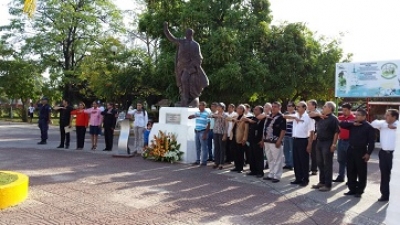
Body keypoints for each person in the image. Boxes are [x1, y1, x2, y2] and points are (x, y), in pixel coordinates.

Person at [163, 22, 209, 107]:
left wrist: (193, 66)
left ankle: (186, 98)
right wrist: (166, 30)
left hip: (191, 67)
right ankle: (185, 98)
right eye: (187, 33)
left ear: (192, 34)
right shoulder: (182, 41)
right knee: (180, 81)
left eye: (189, 33)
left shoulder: (195, 45)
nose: (187, 34)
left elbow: (199, 58)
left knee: (184, 79)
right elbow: (172, 38)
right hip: (180, 67)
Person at [340, 108, 375, 198]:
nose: (356, 116)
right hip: (351, 149)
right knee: (350, 169)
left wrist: (368, 153)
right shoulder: (353, 124)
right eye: (356, 115)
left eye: (358, 115)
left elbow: (371, 142)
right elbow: (341, 124)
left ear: (364, 116)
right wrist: (352, 123)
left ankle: (360, 190)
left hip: (361, 151)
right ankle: (352, 189)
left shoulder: (368, 127)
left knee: (361, 171)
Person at [310, 101, 340, 192]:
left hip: (328, 142)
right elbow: (310, 114)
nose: (322, 108)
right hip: (319, 141)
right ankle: (321, 182)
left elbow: (336, 132)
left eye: (324, 106)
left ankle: (327, 184)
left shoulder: (334, 119)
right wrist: (319, 115)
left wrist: (334, 144)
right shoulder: (320, 117)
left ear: (330, 108)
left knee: (327, 164)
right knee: (319, 162)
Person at [371, 109, 399, 202]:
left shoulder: (398, 125)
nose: (385, 117)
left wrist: (395, 127)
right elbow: (373, 123)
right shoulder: (383, 124)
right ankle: (385, 194)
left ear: (394, 117)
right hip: (383, 153)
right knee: (384, 174)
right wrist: (386, 124)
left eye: (387, 115)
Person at [285, 101, 315, 187]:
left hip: (304, 140)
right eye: (296, 106)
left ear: (304, 108)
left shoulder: (308, 117)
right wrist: (294, 118)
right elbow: (284, 116)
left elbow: (312, 132)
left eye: (299, 107)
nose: (297, 108)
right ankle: (298, 178)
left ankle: (305, 179)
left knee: (304, 161)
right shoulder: (295, 115)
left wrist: (309, 144)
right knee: (296, 160)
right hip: (295, 139)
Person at [262, 101, 286, 183]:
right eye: (272, 106)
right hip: (267, 141)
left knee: (277, 159)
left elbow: (283, 130)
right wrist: (263, 140)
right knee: (270, 158)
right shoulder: (269, 116)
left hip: (275, 141)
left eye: (275, 106)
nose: (273, 108)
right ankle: (271, 174)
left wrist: (279, 140)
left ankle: (277, 176)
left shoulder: (281, 117)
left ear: (280, 107)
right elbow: (265, 128)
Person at [242, 105, 265, 178]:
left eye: (256, 109)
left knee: (258, 157)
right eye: (254, 109)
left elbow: (264, 130)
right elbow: (245, 119)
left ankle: (259, 172)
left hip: (258, 140)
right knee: (252, 156)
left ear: (260, 111)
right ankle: (253, 170)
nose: (254, 111)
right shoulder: (253, 117)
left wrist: (262, 140)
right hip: (251, 140)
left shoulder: (262, 119)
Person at [334, 103, 355, 183]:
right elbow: (337, 130)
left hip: (349, 142)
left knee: (349, 161)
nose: (343, 112)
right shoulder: (340, 118)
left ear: (350, 110)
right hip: (341, 141)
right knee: (341, 160)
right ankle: (341, 176)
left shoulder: (354, 118)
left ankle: (350, 179)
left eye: (345, 110)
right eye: (343, 110)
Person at [188, 101, 210, 166]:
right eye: (199, 105)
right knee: (198, 147)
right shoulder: (197, 113)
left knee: (204, 147)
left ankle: (204, 161)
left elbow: (209, 124)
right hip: (197, 131)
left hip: (203, 131)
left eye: (201, 105)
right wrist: (191, 116)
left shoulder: (207, 114)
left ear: (204, 106)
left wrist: (205, 134)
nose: (199, 107)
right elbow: (193, 117)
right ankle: (198, 160)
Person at [230, 105, 249, 173]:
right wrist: (234, 119)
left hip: (240, 137)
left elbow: (246, 130)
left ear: (243, 110)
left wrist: (244, 138)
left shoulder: (245, 118)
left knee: (240, 153)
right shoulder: (235, 116)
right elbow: (227, 118)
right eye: (238, 108)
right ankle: (236, 166)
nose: (238, 109)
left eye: (240, 108)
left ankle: (240, 167)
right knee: (234, 152)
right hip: (234, 136)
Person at [211, 102, 228, 169]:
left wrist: (225, 134)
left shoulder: (225, 115)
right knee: (216, 148)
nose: (217, 108)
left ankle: (221, 163)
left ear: (222, 108)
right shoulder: (216, 114)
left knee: (222, 148)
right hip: (215, 132)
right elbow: (210, 115)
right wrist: (217, 116)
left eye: (219, 107)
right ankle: (216, 162)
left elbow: (226, 125)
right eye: (217, 107)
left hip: (221, 133)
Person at [307, 99, 319, 175]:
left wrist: (316, 133)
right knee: (307, 151)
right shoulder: (306, 113)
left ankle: (314, 169)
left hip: (314, 135)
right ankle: (307, 167)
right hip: (306, 134)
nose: (307, 106)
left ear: (314, 105)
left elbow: (319, 125)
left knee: (314, 153)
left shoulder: (318, 113)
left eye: (309, 105)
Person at [283, 102, 296, 170]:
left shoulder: (296, 114)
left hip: (292, 135)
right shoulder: (286, 113)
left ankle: (291, 164)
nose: (288, 107)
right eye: (288, 106)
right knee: (286, 150)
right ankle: (287, 163)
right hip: (285, 135)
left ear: (294, 107)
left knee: (292, 150)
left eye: (290, 106)